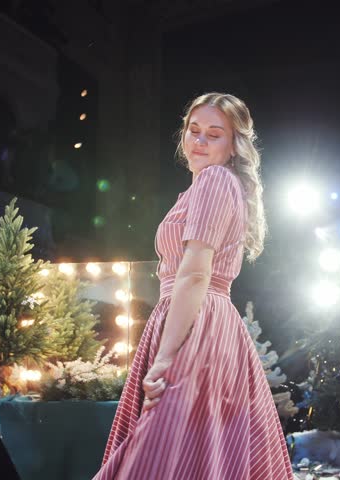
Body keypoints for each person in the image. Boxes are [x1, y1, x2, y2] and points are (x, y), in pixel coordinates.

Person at [92, 93, 294, 479]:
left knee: (160, 457)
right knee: (193, 456)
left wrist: (166, 356)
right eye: (194, 130)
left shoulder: (215, 181)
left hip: (196, 326)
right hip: (203, 321)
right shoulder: (212, 185)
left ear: (234, 144)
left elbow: (196, 273)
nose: (199, 141)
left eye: (214, 134)